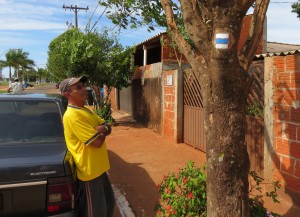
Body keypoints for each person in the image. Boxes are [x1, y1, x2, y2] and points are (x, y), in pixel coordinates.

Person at [59, 76, 115, 217]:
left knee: (108, 206)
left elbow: (107, 126)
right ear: (67, 94)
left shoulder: (86, 110)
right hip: (89, 174)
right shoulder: (73, 116)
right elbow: (97, 143)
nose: (84, 89)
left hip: (100, 169)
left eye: (83, 85)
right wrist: (102, 130)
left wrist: (102, 129)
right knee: (96, 213)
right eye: (78, 87)